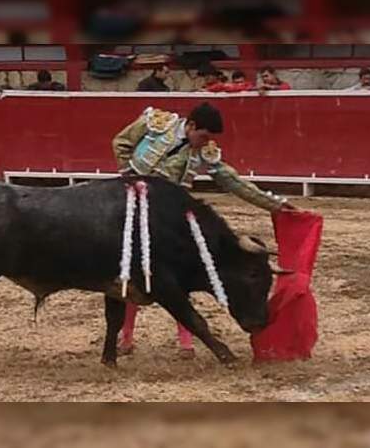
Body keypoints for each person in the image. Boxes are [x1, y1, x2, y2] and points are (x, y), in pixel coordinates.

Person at [112, 102, 296, 358]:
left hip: (171, 217)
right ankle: (127, 337)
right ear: (191, 125)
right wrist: (127, 176)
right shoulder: (156, 123)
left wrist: (275, 204)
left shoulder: (204, 151)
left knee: (179, 277)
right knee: (131, 271)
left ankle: (185, 342)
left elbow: (232, 180)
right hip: (135, 208)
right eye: (203, 136)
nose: (206, 143)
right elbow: (120, 142)